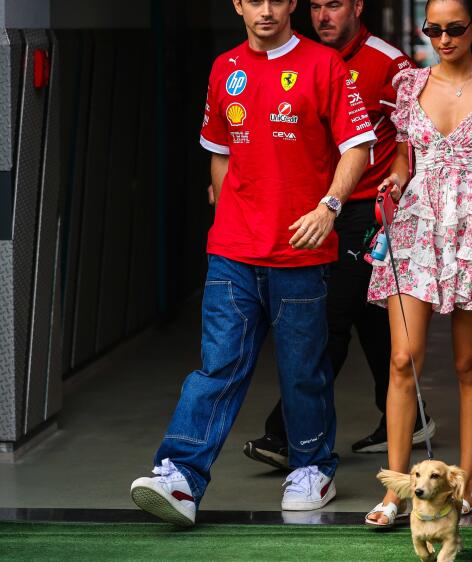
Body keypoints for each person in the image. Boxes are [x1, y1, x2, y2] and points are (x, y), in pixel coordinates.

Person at [129, 0, 375, 526]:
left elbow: (358, 146)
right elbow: (220, 151)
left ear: (291, 4)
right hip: (233, 252)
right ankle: (179, 476)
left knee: (302, 371)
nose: (266, 10)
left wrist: (329, 207)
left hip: (300, 250)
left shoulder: (323, 65)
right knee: (218, 366)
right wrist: (226, 218)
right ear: (237, 4)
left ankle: (313, 467)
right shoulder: (225, 68)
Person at [241, 0, 437, 471]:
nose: (322, 16)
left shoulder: (389, 63)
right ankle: (410, 419)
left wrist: (402, 175)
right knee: (369, 316)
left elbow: (414, 136)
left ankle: (286, 434)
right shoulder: (298, 58)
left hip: (364, 213)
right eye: (316, 6)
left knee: (327, 318)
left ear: (357, 6)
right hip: (310, 211)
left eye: (334, 5)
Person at [363, 0, 472, 526]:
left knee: (468, 364)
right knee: (401, 357)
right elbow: (403, 155)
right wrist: (393, 180)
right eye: (432, 29)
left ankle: (468, 479)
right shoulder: (410, 85)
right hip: (415, 227)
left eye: (454, 28)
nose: (443, 38)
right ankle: (395, 491)